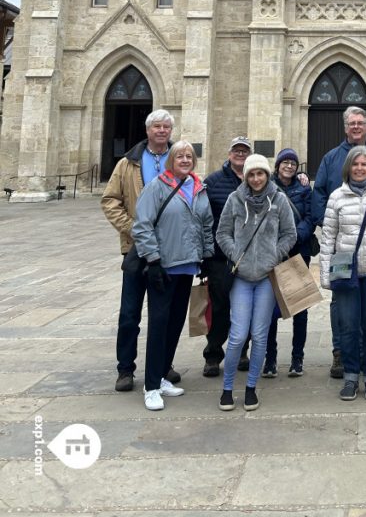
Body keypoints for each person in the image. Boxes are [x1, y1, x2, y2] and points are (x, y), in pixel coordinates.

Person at [311, 106, 366, 378]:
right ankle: (341, 354)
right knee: (342, 306)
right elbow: (319, 197)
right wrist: (329, 226)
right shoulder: (330, 159)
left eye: (361, 122)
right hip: (343, 251)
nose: (356, 127)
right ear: (345, 126)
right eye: (351, 123)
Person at [101, 108, 181, 393]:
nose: (161, 131)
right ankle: (125, 369)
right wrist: (134, 229)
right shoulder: (128, 163)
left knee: (165, 314)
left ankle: (162, 365)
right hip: (136, 250)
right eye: (156, 126)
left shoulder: (179, 160)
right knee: (130, 312)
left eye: (166, 127)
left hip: (169, 252)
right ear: (148, 131)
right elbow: (110, 200)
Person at [132, 140, 214, 412]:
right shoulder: (157, 186)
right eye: (179, 156)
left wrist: (206, 256)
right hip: (164, 267)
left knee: (175, 323)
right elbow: (142, 225)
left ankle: (164, 374)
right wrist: (153, 260)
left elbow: (205, 225)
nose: (184, 160)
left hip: (188, 266)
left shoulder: (198, 187)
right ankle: (151, 385)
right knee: (159, 324)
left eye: (189, 156)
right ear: (171, 160)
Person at [215, 154, 296, 412]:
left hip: (265, 278)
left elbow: (290, 234)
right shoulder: (235, 199)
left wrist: (274, 256)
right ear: (246, 176)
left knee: (260, 335)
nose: (256, 178)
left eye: (260, 173)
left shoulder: (279, 200)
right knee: (238, 336)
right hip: (241, 277)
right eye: (252, 174)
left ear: (267, 174)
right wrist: (236, 253)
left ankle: (251, 388)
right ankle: (227, 388)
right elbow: (222, 232)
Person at [201, 135, 252, 377]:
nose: (240, 154)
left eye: (244, 151)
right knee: (219, 308)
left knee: (246, 307)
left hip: (249, 257)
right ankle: (213, 355)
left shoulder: (258, 179)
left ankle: (242, 351)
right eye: (236, 150)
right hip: (220, 257)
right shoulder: (213, 181)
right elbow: (203, 219)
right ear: (229, 153)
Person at [263, 147, 315, 377]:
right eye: (285, 162)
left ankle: (297, 359)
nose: (289, 166)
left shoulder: (303, 188)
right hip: (273, 254)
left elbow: (311, 216)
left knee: (300, 307)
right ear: (277, 165)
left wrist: (295, 236)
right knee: (269, 310)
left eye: (293, 163)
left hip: (297, 252)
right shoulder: (266, 187)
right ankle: (270, 359)